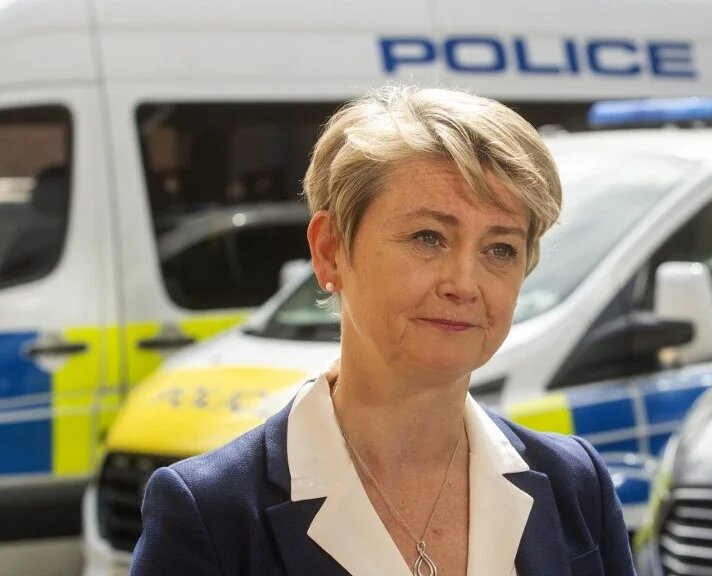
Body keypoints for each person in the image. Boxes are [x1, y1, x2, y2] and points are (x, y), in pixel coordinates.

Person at [130, 86, 635, 576]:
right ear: (330, 250)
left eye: (500, 248)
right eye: (428, 237)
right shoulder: (212, 512)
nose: (464, 283)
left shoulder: (575, 484)